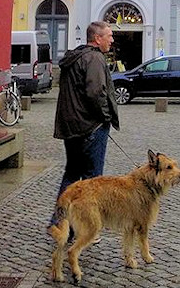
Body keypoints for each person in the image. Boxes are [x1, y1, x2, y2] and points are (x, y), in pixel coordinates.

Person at [49, 20, 119, 226]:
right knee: (93, 181)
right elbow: (96, 93)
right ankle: (86, 226)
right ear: (97, 38)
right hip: (90, 127)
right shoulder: (94, 59)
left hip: (70, 127)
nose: (112, 39)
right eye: (109, 35)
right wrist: (105, 117)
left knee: (71, 175)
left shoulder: (74, 57)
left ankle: (59, 223)